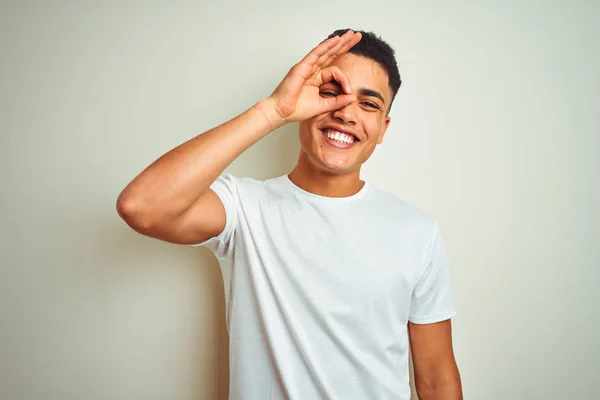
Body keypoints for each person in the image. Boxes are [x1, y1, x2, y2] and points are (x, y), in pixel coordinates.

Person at [117, 28, 462, 400]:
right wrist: (272, 111)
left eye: (369, 104)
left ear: (383, 128)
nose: (346, 113)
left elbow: (437, 379)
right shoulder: (244, 209)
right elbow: (142, 206)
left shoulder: (416, 232)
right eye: (331, 93)